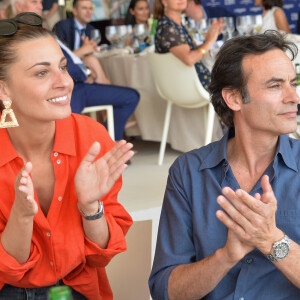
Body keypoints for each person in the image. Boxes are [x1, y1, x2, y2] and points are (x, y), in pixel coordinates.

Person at [149, 31, 300, 299]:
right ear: (233, 98)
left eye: (293, 83)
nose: (294, 97)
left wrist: (272, 240)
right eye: (275, 86)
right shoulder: (188, 172)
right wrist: (225, 257)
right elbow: (165, 290)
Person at [0, 12, 134, 300]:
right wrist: (21, 219)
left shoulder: (91, 139)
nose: (65, 82)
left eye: (62, 66)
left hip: (80, 288)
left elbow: (101, 256)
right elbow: (9, 269)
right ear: (3, 89)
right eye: (41, 72)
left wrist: (90, 206)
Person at [11, 0, 140, 141]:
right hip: (70, 87)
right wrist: (81, 70)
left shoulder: (45, 31)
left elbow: (66, 60)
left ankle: (108, 142)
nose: (40, 6)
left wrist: (88, 72)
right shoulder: (21, 36)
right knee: (63, 129)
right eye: (34, 2)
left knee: (131, 96)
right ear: (18, 5)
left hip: (80, 83)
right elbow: (47, 66)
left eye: (41, 2)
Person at [153, 0, 222, 91]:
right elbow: (189, 59)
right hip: (194, 87)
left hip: (197, 82)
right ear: (164, 2)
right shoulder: (168, 27)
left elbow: (191, 51)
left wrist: (209, 38)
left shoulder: (175, 24)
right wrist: (209, 41)